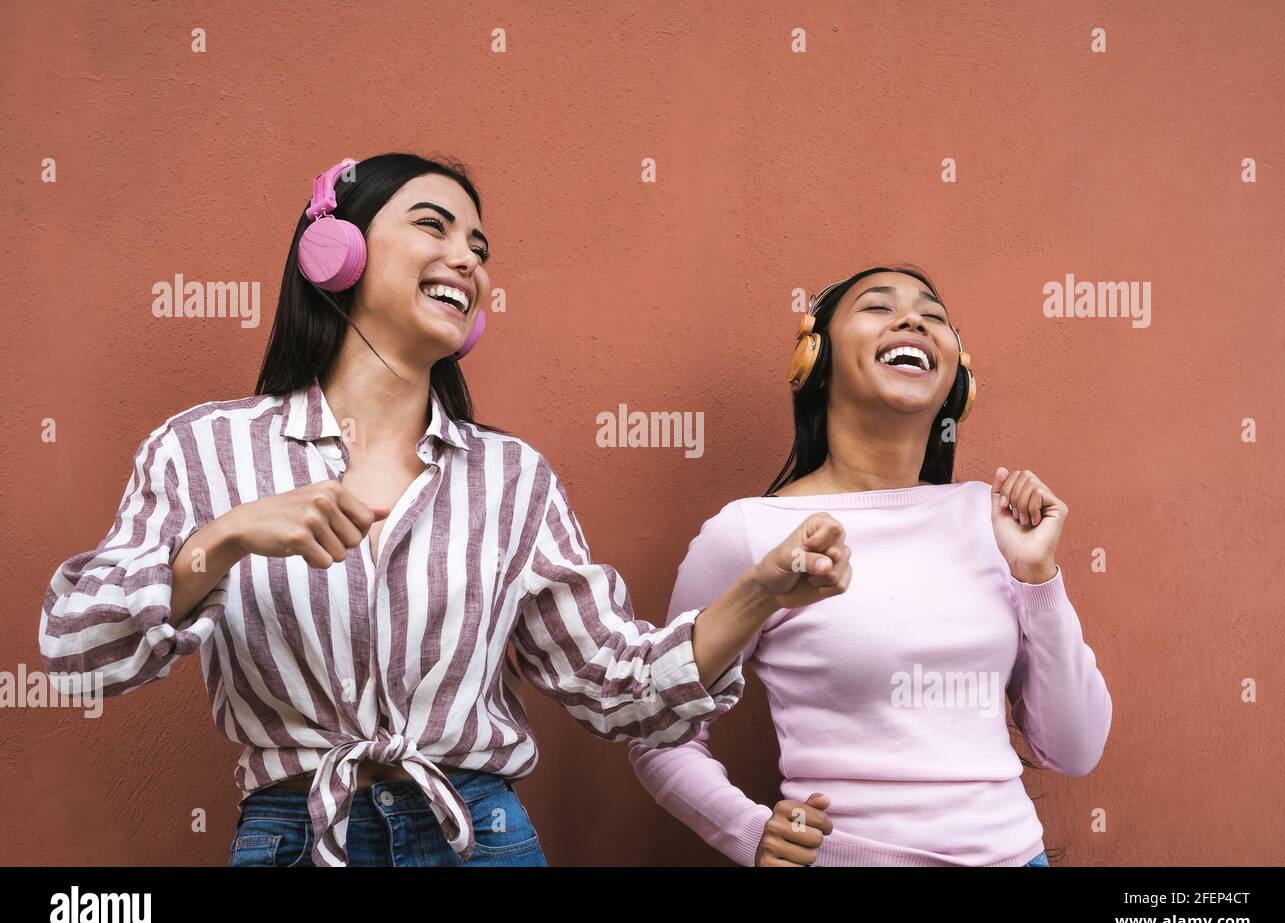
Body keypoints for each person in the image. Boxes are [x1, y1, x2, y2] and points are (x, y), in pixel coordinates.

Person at [36, 153, 852, 867]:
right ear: (335, 253)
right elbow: (80, 653)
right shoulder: (204, 451)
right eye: (435, 228)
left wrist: (762, 592)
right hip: (294, 835)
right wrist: (221, 541)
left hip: (479, 836)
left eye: (480, 248)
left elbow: (620, 691)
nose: (466, 259)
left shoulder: (512, 478)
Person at [629, 265, 1113, 867]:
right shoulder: (749, 533)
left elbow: (1076, 748)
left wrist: (1038, 580)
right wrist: (746, 830)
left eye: (933, 316)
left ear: (957, 380)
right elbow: (658, 731)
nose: (913, 320)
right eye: (879, 307)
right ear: (814, 359)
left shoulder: (997, 523)